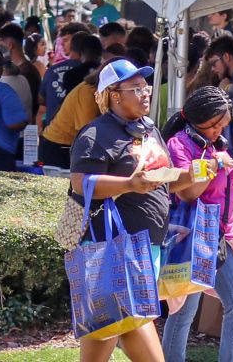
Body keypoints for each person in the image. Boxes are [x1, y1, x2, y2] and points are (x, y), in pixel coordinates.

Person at [69, 58, 175, 362]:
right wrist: (129, 184)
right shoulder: (96, 134)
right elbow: (80, 183)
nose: (146, 93)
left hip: (145, 248)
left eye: (147, 87)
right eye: (137, 88)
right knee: (110, 335)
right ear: (115, 95)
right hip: (113, 247)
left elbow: (158, 181)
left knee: (129, 332)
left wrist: (194, 175)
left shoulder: (148, 131)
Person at [160, 87, 233, 362]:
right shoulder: (180, 144)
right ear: (196, 118)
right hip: (191, 237)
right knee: (184, 313)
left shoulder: (218, 146)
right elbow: (187, 193)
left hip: (219, 236)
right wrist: (213, 163)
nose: (218, 130)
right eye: (214, 124)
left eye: (223, 125)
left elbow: (230, 198)